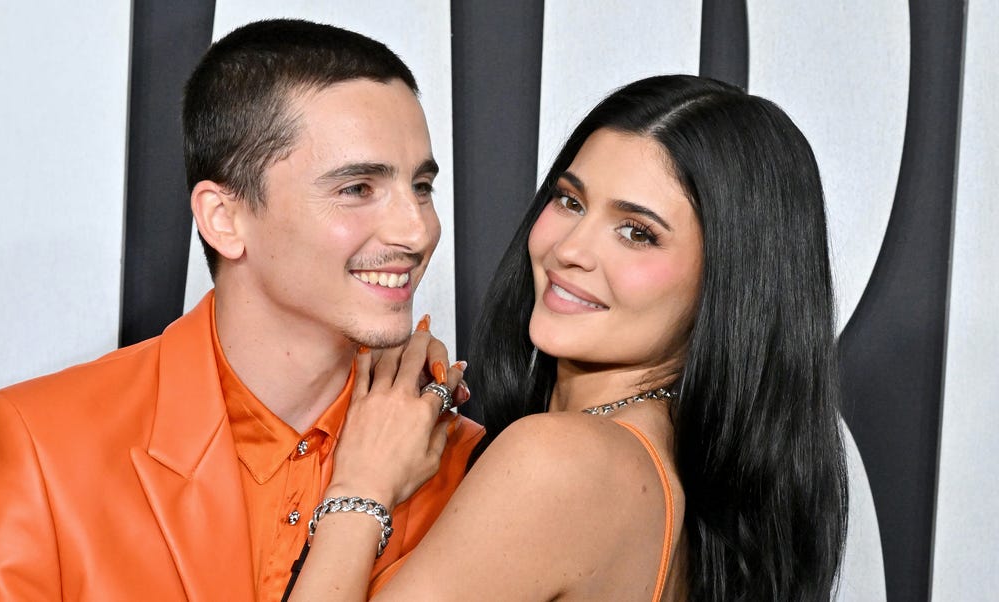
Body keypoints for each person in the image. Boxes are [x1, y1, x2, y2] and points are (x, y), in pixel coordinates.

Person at [0, 19, 482, 601]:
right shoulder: (42, 447)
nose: (417, 231)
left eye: (421, 187)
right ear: (223, 218)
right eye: (356, 188)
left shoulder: (469, 468)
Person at [289, 74, 849, 601]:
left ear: (728, 283)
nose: (571, 249)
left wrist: (362, 485)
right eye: (570, 201)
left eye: (637, 233)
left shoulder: (563, 462)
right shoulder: (665, 470)